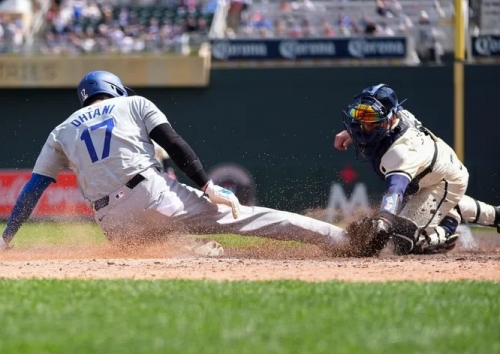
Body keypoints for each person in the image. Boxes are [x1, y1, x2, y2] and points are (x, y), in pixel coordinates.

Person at [0, 70, 348, 254]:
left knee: (153, 245)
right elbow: (173, 142)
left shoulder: (60, 130)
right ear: (116, 89)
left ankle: (194, 252)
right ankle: (343, 240)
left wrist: (7, 237)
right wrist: (207, 185)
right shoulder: (132, 104)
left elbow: (34, 188)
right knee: (252, 219)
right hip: (151, 194)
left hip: (112, 223)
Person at [334, 83, 500, 254]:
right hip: (429, 173)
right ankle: (495, 215)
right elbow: (376, 121)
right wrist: (350, 133)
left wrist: (384, 219)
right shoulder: (398, 115)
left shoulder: (401, 151)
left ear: (391, 117)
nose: (363, 124)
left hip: (444, 181)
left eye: (370, 118)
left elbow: (395, 190)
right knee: (402, 226)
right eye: (360, 115)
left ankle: (444, 229)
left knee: (401, 241)